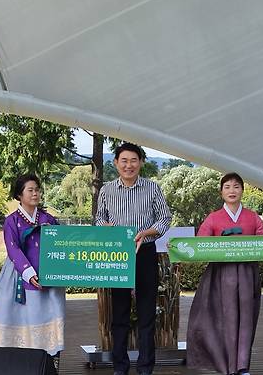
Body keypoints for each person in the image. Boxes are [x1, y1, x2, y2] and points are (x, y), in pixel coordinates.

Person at [95, 142, 172, 375]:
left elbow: (165, 219)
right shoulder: (106, 190)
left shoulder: (152, 188)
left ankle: (145, 368)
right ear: (116, 163)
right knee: (119, 313)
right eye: (124, 161)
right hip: (117, 256)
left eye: (134, 160)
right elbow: (99, 219)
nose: (129, 165)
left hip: (145, 253)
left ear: (141, 163)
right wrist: (106, 227)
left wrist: (146, 232)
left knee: (146, 313)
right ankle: (120, 367)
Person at [186, 172, 263, 375]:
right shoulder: (213, 218)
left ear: (242, 190)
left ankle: (242, 366)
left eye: (236, 186)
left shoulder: (252, 217)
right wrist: (178, 246)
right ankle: (226, 365)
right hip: (219, 276)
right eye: (227, 187)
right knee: (223, 318)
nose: (232, 191)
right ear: (221, 192)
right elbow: (200, 244)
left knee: (246, 319)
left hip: (247, 274)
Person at [0, 174, 65, 369]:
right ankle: (22, 364)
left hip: (49, 277)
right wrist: (28, 272)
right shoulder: (12, 220)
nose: (35, 193)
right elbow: (13, 249)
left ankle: (49, 365)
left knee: (50, 316)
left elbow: (62, 242)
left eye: (37, 189)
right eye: (30, 190)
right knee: (22, 318)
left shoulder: (48, 218)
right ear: (19, 195)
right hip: (20, 276)